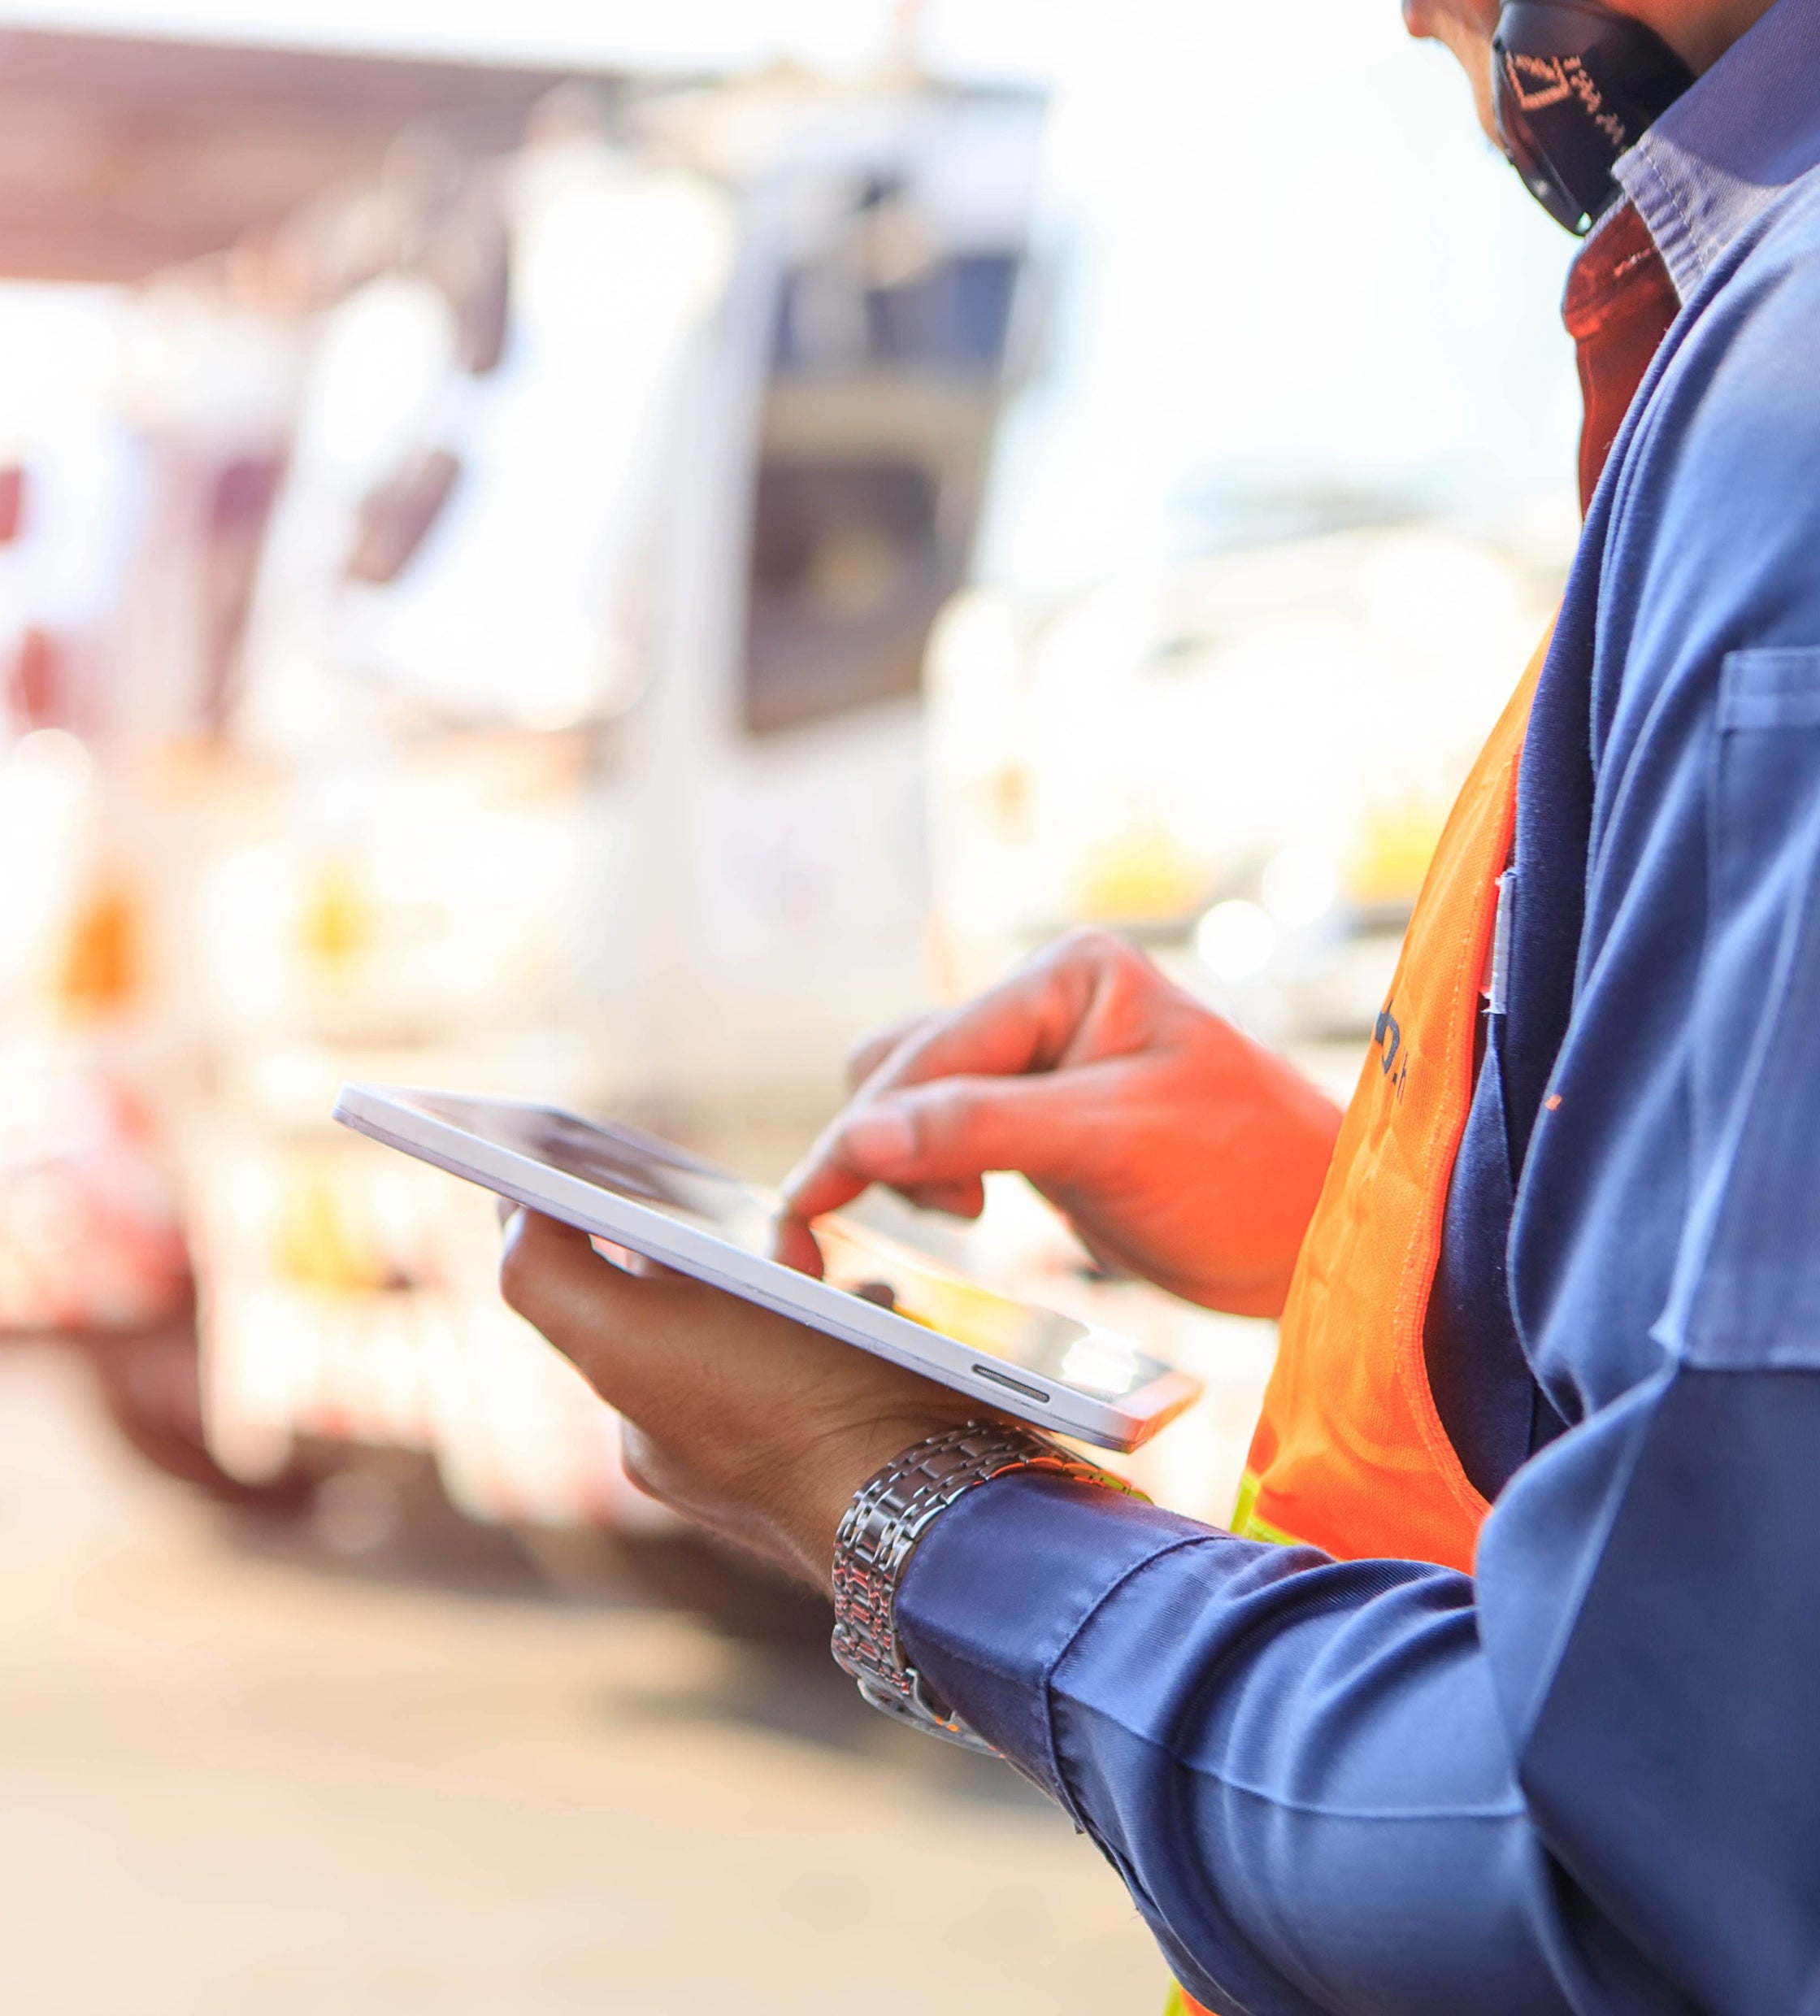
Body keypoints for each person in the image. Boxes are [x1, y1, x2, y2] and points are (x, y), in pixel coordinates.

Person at [497, 1, 1820, 2007]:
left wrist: (911, 1507)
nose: (1417, 11)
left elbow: (1646, 1857)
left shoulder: (1779, 395)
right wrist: (1370, 1231)